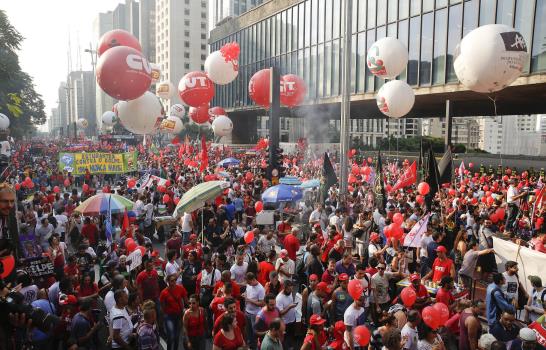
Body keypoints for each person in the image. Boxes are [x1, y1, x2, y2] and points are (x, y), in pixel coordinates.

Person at [160, 273, 188, 350]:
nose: (174, 282)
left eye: (175, 280)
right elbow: (162, 306)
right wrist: (164, 316)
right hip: (169, 316)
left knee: (176, 336)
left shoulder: (181, 288)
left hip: (179, 315)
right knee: (170, 336)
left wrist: (189, 309)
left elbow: (186, 300)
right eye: (172, 281)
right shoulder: (164, 293)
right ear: (168, 282)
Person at [244, 272, 265, 350]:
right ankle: (251, 347)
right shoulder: (249, 285)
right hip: (247, 312)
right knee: (248, 332)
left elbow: (262, 304)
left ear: (253, 279)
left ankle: (257, 347)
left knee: (255, 333)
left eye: (249, 282)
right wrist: (245, 294)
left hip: (255, 314)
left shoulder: (260, 289)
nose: (248, 284)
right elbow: (247, 292)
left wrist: (249, 300)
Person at [275, 279, 298, 350]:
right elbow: (280, 312)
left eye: (291, 289)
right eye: (289, 290)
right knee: (285, 340)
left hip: (292, 319)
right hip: (285, 323)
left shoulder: (290, 292)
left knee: (291, 337)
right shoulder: (279, 298)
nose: (290, 291)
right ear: (284, 288)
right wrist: (290, 307)